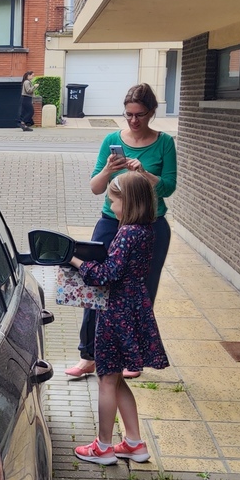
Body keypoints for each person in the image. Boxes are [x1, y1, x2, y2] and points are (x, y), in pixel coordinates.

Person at [63, 83, 176, 379]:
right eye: (129, 114)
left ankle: (132, 358)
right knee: (95, 287)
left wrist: (144, 174)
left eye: (140, 115)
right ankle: (88, 356)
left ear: (152, 112)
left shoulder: (164, 143)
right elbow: (95, 187)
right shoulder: (112, 139)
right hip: (111, 222)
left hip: (150, 224)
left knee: (140, 292)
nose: (134, 120)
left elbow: (168, 187)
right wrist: (108, 170)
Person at [72, 171, 170, 464]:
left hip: (116, 312)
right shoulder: (147, 230)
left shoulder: (126, 233)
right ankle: (134, 444)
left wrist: (76, 262)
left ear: (127, 202)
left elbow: (108, 274)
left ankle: (103, 447)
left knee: (106, 379)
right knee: (115, 379)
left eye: (113, 201)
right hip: (134, 307)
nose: (111, 207)